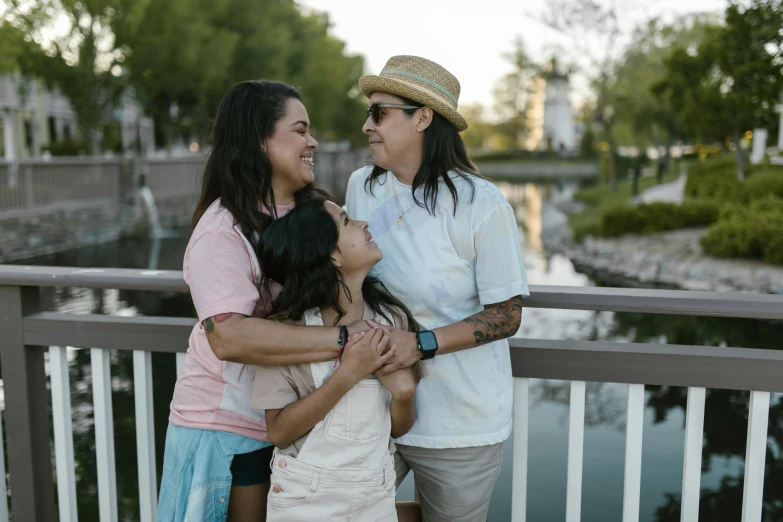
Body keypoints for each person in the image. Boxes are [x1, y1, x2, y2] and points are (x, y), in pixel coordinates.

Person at [156, 80, 373, 522]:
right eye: (299, 129)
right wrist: (351, 343)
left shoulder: (313, 211)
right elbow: (229, 336)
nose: (312, 141)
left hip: (296, 428)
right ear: (259, 140)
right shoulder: (223, 231)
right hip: (227, 429)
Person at [345, 55, 530, 522]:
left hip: (459, 425)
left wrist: (421, 344)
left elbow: (507, 314)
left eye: (380, 112)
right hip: (373, 409)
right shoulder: (362, 187)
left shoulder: (480, 204)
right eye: (368, 113)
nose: (367, 125)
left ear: (423, 118)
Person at [252, 197, 422, 522]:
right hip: (306, 502)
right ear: (331, 255)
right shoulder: (287, 333)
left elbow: (398, 429)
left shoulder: (392, 319)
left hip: (376, 496)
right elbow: (279, 432)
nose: (364, 224)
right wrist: (349, 373)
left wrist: (404, 394)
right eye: (347, 222)